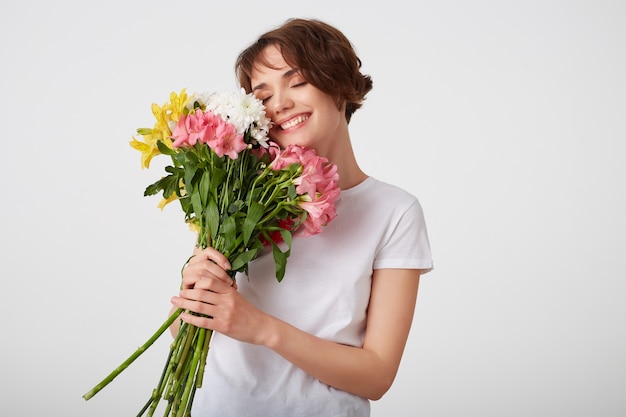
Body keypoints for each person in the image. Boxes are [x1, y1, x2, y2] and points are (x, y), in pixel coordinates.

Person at [169, 17, 433, 417]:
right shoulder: (235, 191)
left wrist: (263, 329)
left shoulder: (395, 212)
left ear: (339, 86)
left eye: (297, 82)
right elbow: (184, 327)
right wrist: (194, 290)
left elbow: (377, 375)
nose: (280, 104)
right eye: (263, 94)